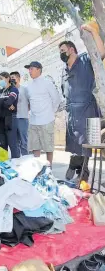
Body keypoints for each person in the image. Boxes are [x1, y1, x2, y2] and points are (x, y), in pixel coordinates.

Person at [59, 40, 102, 181]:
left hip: (88, 109)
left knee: (87, 143)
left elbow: (101, 52)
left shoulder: (85, 59)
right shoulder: (64, 71)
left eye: (63, 50)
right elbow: (64, 91)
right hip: (72, 112)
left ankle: (83, 173)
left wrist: (93, 32)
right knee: (74, 144)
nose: (61, 53)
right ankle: (75, 164)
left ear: (71, 49)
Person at [25, 61, 60, 166]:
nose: (29, 71)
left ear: (39, 70)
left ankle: (49, 170)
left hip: (47, 120)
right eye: (29, 69)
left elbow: (56, 99)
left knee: (48, 147)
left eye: (31, 69)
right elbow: (29, 102)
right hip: (34, 121)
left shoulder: (47, 83)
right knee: (35, 147)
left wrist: (51, 112)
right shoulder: (28, 86)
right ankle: (38, 169)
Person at [0, 72, 20, 158]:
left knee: (12, 143)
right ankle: (4, 164)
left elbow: (9, 101)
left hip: (10, 118)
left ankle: (17, 164)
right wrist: (5, 102)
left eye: (1, 79)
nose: (0, 81)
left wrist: (1, 102)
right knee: (2, 144)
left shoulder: (13, 89)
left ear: (7, 78)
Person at [10, 71, 29, 156]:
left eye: (13, 77)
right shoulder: (9, 90)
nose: (12, 79)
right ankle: (17, 161)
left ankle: (25, 159)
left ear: (18, 78)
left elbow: (30, 103)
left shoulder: (25, 89)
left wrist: (25, 110)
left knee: (24, 141)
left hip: (22, 117)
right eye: (10, 78)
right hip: (12, 118)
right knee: (15, 142)